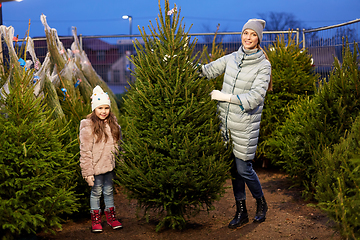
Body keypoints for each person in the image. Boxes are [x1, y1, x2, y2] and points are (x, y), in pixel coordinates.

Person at [200, 19, 271, 229]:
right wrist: (176, 63)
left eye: (253, 34)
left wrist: (225, 97)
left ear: (258, 39)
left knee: (244, 168)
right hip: (226, 125)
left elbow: (256, 97)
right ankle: (241, 211)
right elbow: (207, 71)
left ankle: (261, 203)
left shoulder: (263, 65)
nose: (248, 38)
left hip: (245, 125)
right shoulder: (232, 58)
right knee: (234, 170)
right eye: (245, 33)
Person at [79, 85, 123, 233]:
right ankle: (96, 219)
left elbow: (118, 146)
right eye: (100, 108)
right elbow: (85, 151)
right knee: (96, 192)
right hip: (95, 168)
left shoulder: (113, 124)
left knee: (109, 191)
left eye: (106, 108)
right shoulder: (88, 126)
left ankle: (111, 217)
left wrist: (120, 162)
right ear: (94, 109)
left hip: (109, 166)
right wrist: (87, 173)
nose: (103, 111)